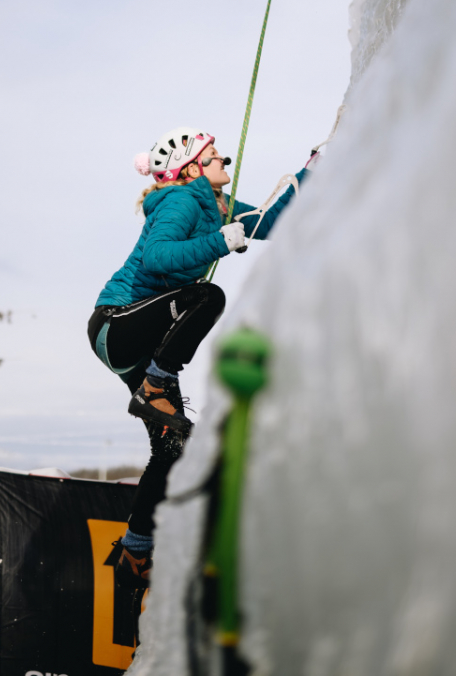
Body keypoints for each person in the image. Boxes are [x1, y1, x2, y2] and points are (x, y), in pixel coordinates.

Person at [87, 126, 308, 587]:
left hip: (141, 343)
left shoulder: (217, 206)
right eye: (217, 158)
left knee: (172, 449)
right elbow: (157, 258)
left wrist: (312, 171)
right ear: (191, 168)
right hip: (120, 322)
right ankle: (154, 385)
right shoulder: (183, 199)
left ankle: (135, 549)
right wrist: (220, 242)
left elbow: (269, 219)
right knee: (206, 297)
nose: (225, 163)